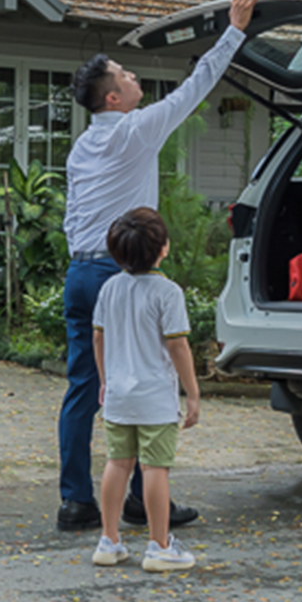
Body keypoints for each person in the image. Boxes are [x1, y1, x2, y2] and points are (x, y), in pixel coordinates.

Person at [55, 0, 257, 532]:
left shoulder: (82, 145)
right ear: (113, 99)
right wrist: (233, 31)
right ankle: (146, 500)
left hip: (80, 273)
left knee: (85, 387)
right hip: (122, 275)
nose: (135, 77)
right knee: (146, 379)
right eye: (126, 75)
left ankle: (76, 502)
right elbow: (197, 87)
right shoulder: (135, 132)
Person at [90, 207, 200, 571]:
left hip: (118, 395)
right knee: (155, 469)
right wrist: (193, 392)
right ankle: (159, 545)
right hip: (155, 398)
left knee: (117, 464)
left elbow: (98, 337)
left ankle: (109, 540)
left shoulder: (110, 288)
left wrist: (105, 380)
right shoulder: (168, 293)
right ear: (163, 249)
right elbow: (177, 347)